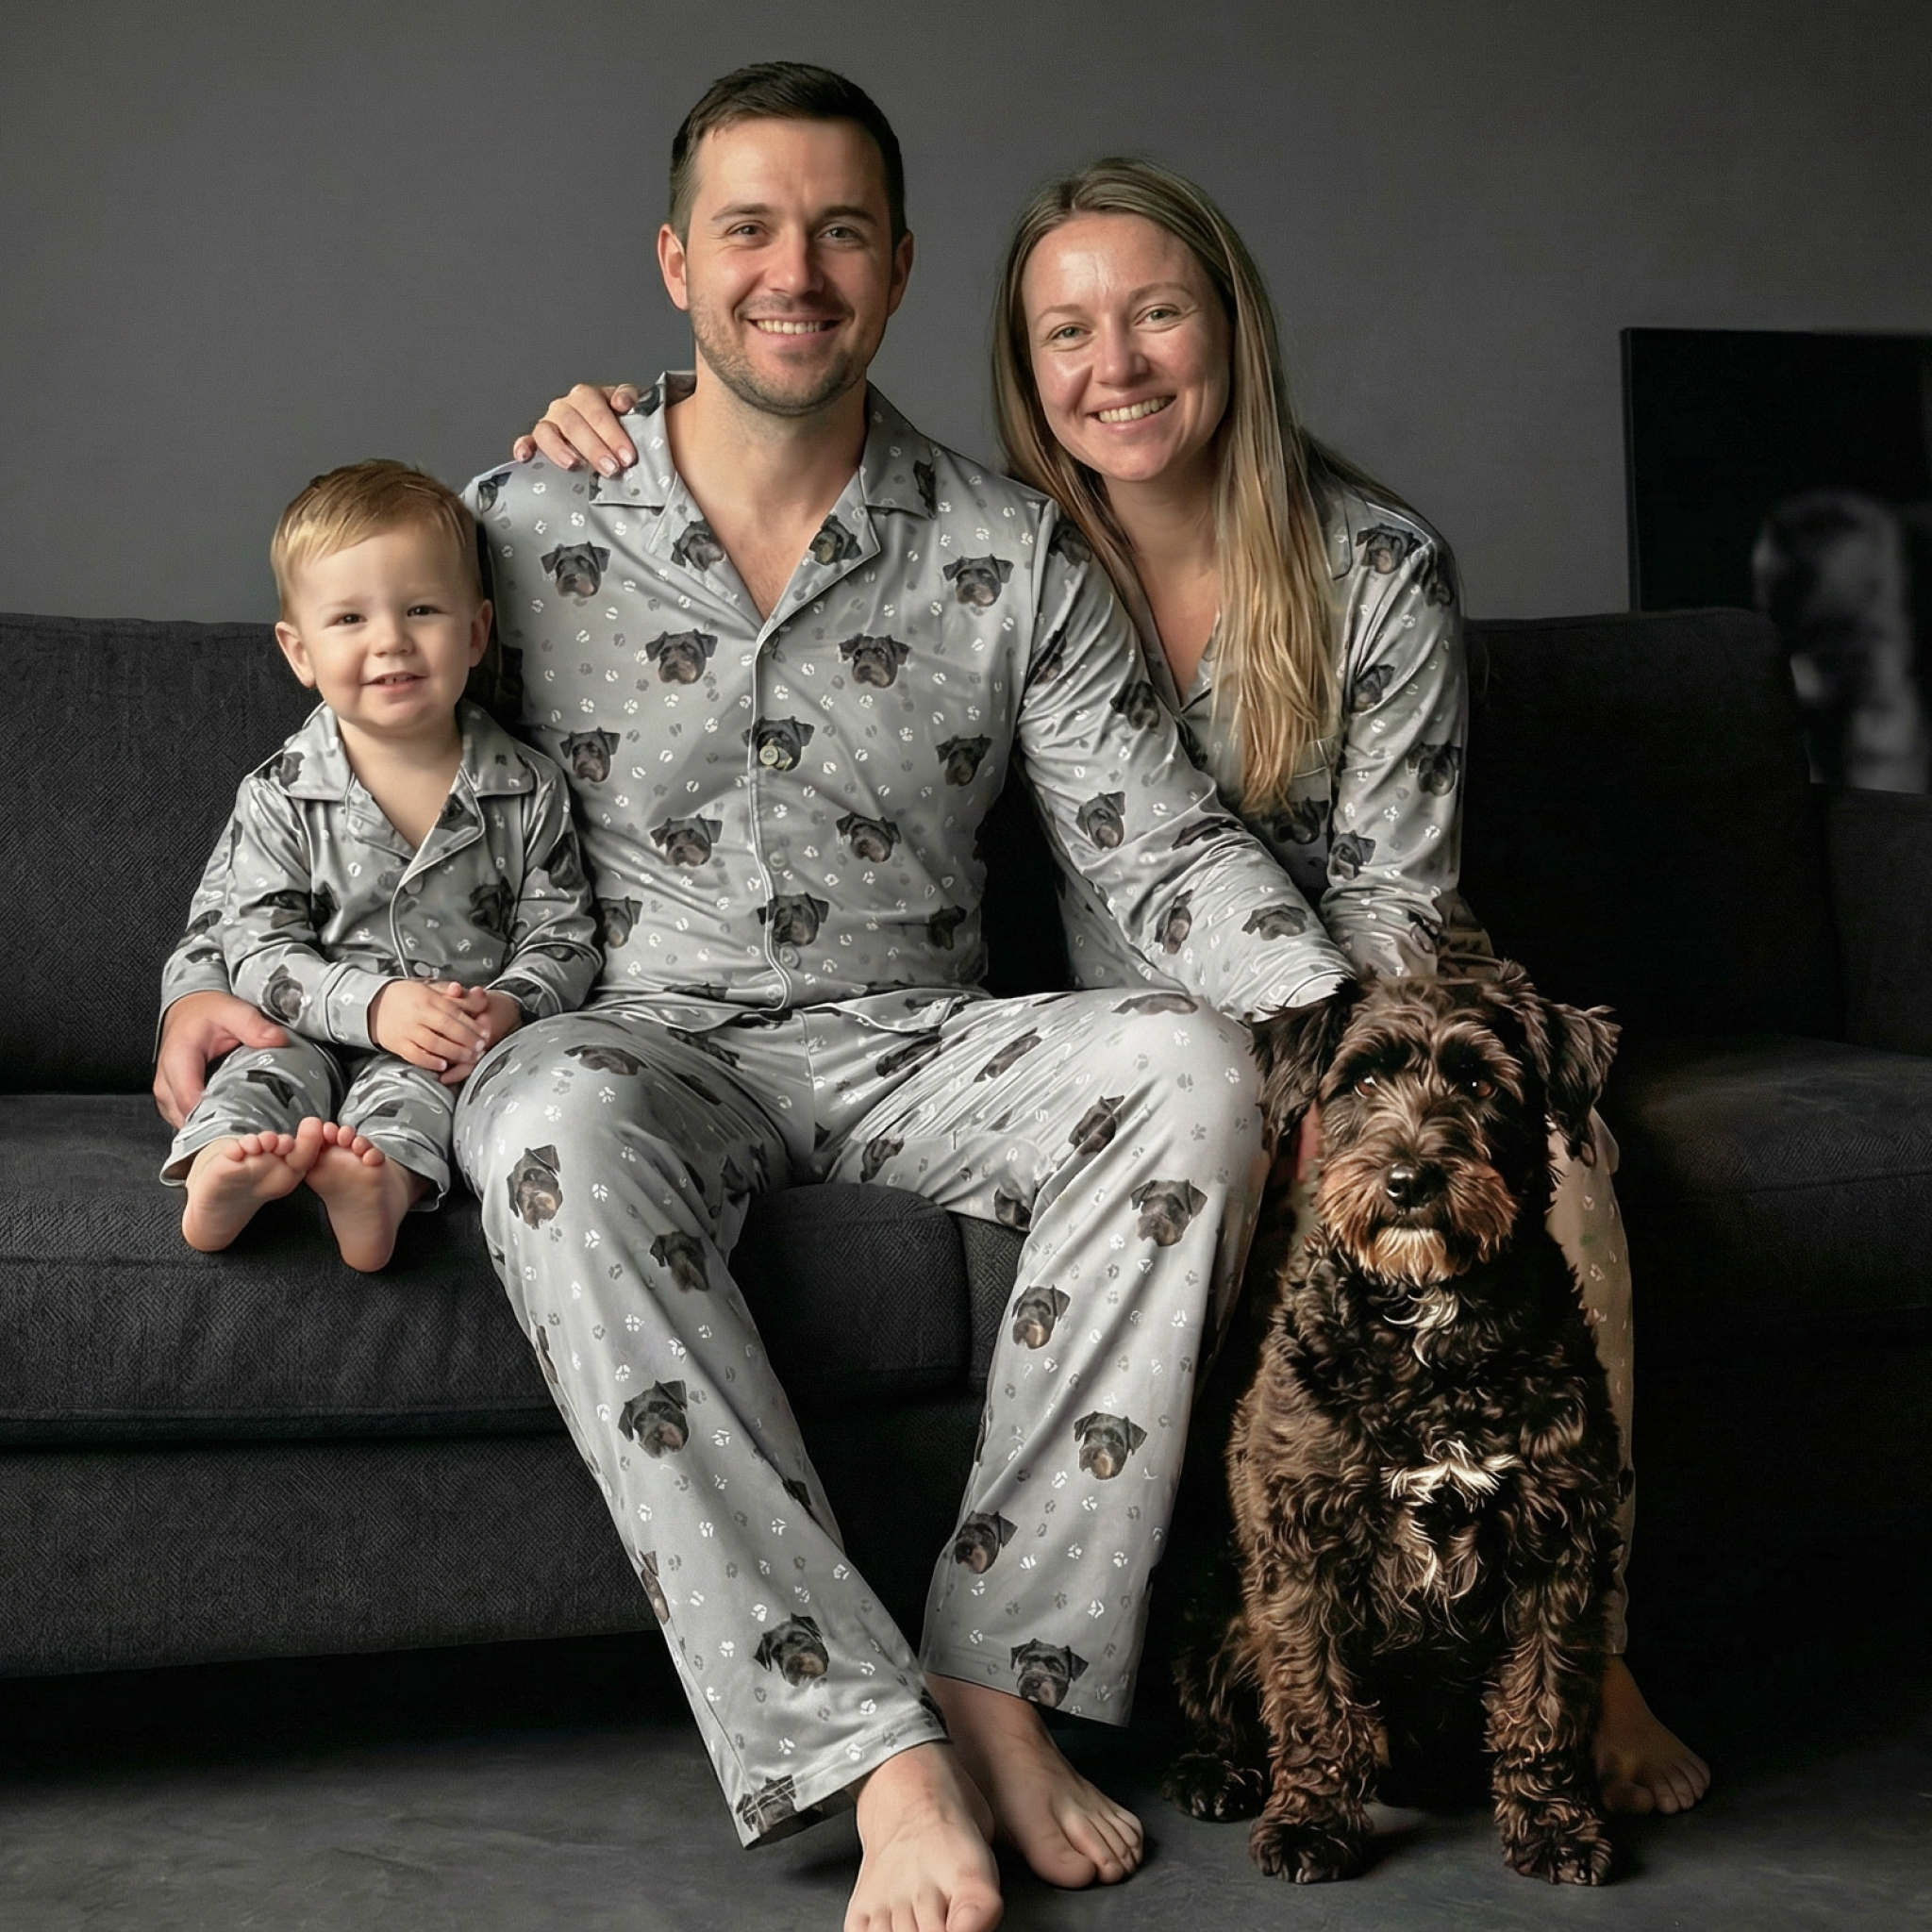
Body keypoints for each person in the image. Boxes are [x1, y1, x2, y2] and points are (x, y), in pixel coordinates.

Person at [155, 65, 1368, 1932]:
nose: (790, 269)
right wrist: (204, 991)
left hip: (920, 1035)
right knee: (539, 1119)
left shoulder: (1007, 547)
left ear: (892, 270)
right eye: (748, 226)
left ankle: (1006, 1679)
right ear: (675, 262)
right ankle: (877, 1754)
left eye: (838, 229)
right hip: (641, 1043)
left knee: (1191, 1068)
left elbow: (1158, 850)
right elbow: (328, 781)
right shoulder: (520, 526)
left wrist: (1368, 1025)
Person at [526, 156, 1711, 1821]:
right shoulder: (1009, 549)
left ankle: (1587, 1647)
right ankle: (962, 1722)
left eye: (1156, 312)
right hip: (1129, 1030)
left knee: (1552, 1178)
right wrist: (633, 429)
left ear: (1229, 328)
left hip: (1348, 1012)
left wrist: (1341, 1073)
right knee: (1181, 1091)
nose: (1118, 363)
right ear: (1021, 364)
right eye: (1067, 330)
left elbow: (1394, 897)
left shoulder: (1365, 564)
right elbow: (733, 456)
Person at [161, 460, 599, 1271]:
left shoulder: (528, 788)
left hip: (440, 1042)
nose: (390, 640)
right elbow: (253, 951)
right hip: (305, 1025)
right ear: (299, 651)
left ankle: (379, 1193)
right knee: (259, 1073)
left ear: (475, 633)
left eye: (422, 610)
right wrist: (371, 1007)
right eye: (351, 618)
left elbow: (565, 936)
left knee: (419, 1097)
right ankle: (222, 1172)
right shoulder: (281, 794)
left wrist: (504, 1008)